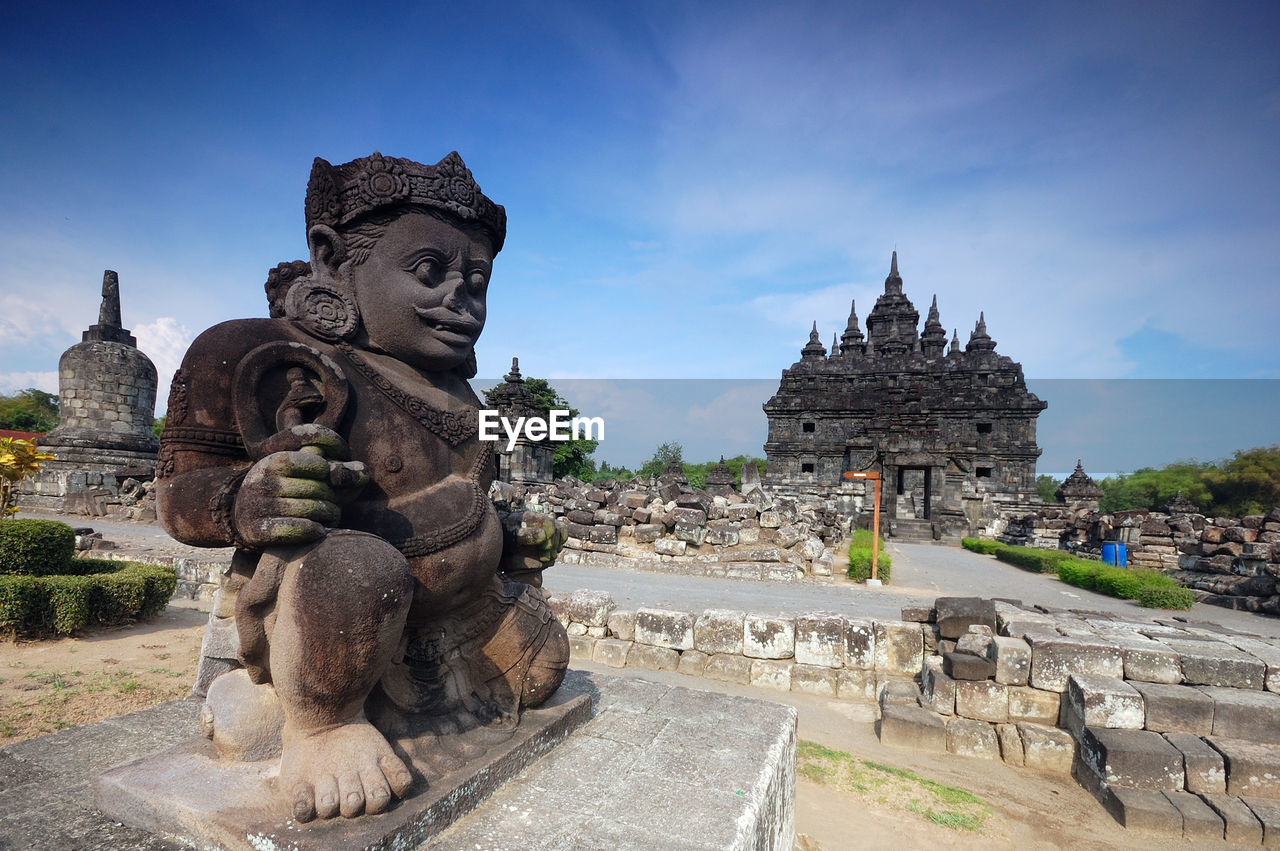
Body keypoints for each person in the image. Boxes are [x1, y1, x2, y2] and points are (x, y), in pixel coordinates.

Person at [157, 151, 568, 822]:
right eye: (430, 273)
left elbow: (471, 497)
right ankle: (318, 723)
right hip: (331, 604)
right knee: (356, 568)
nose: (458, 299)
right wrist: (247, 499)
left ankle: (311, 706)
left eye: (477, 282)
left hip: (453, 617)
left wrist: (512, 537)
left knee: (546, 658)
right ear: (331, 256)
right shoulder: (259, 354)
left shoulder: (462, 395)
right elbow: (176, 492)